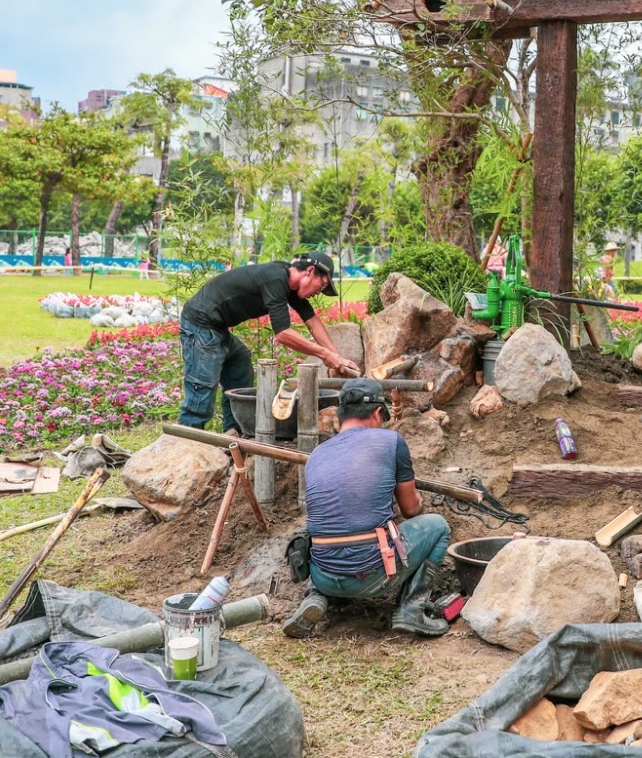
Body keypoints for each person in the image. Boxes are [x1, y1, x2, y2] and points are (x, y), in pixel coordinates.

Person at [284, 378, 454, 639]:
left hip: (322, 575)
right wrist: (418, 502)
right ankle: (412, 609)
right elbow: (410, 510)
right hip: (371, 576)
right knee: (438, 526)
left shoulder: (318, 452)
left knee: (326, 529)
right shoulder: (391, 441)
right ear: (377, 413)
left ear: (341, 415)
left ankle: (317, 597)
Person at [176, 250, 360, 436]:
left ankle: (233, 432)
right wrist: (324, 354)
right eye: (321, 285)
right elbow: (283, 334)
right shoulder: (275, 279)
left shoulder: (291, 286)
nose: (318, 292)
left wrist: (338, 358)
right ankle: (187, 441)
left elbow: (313, 322)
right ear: (310, 271)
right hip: (200, 325)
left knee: (239, 361)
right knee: (202, 388)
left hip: (217, 327)